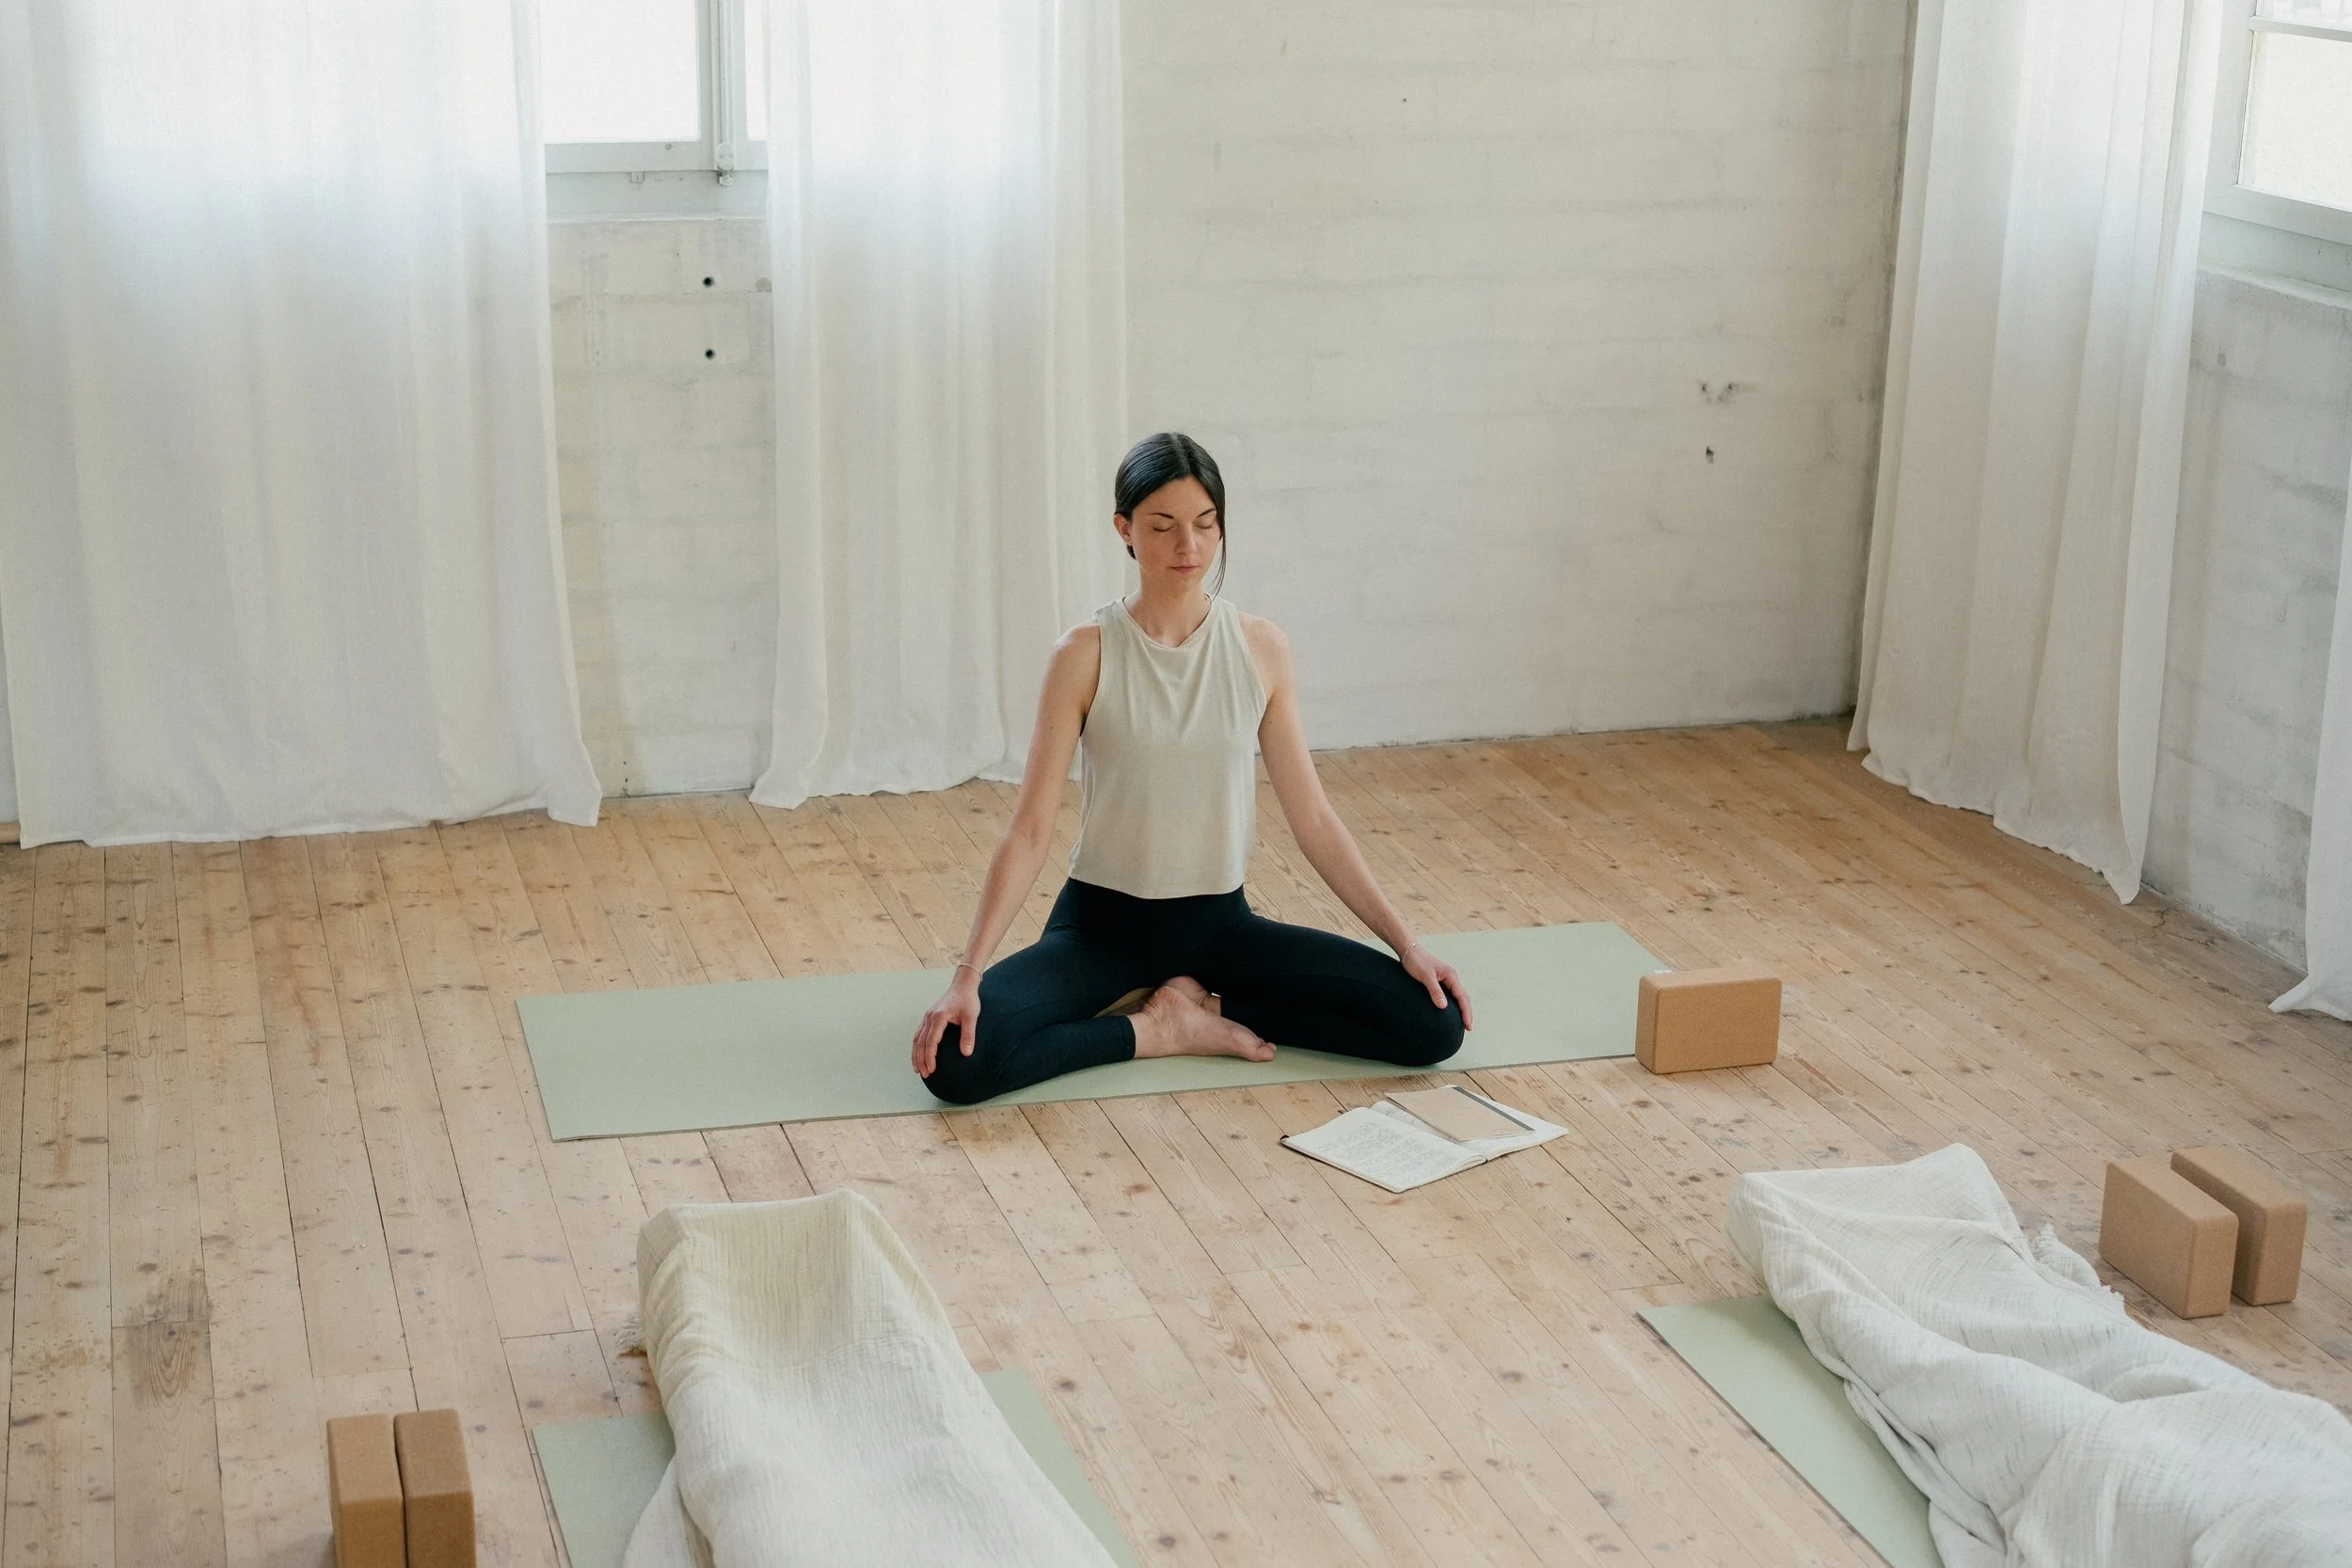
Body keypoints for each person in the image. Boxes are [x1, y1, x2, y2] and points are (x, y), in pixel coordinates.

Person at [911, 433, 1470, 1103]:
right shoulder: (1084, 654)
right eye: (1164, 527)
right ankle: (1158, 1029)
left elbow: (1315, 818)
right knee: (952, 1062)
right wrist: (967, 975)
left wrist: (1407, 943)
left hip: (1220, 930)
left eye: (1206, 526)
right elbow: (1030, 829)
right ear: (1124, 529)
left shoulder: (1261, 648)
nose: (1190, 548)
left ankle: (1199, 1003)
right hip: (1100, 928)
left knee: (1432, 1024)